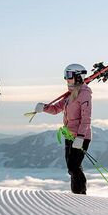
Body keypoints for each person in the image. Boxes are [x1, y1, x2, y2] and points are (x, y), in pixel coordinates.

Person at [35, 63, 92, 194]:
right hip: (70, 135)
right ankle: (77, 193)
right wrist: (43, 107)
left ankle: (80, 194)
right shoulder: (69, 95)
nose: (66, 78)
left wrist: (81, 137)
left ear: (77, 76)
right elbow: (56, 109)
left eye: (69, 75)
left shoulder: (84, 93)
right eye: (65, 75)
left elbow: (86, 118)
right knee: (71, 167)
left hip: (81, 136)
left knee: (74, 166)